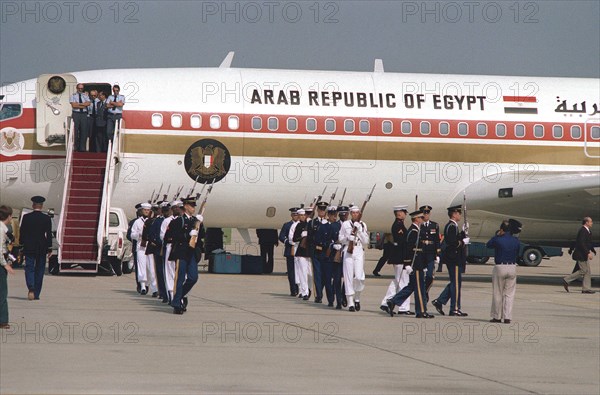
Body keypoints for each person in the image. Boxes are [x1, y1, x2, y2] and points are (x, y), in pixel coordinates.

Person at [386, 210, 434, 318]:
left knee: (411, 286)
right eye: (421, 218)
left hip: (419, 263)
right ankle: (421, 311)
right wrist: (407, 264)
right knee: (420, 288)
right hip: (415, 264)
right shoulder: (413, 232)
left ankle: (393, 301)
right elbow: (408, 249)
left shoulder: (417, 230)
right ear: (416, 219)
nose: (423, 219)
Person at [168, 197, 205, 314]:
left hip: (192, 253)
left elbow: (202, 235)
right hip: (182, 252)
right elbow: (173, 236)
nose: (193, 208)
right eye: (191, 206)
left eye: (194, 206)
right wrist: (188, 233)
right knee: (179, 279)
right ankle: (177, 305)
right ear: (185, 206)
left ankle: (179, 296)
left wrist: (200, 225)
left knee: (193, 278)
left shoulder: (196, 220)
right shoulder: (178, 221)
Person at [431, 205, 469, 316]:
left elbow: (455, 238)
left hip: (454, 258)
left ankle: (439, 301)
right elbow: (452, 242)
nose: (460, 215)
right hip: (454, 258)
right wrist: (462, 242)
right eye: (459, 213)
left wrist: (462, 233)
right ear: (454, 214)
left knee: (455, 283)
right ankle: (454, 308)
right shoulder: (451, 226)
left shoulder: (453, 226)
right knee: (456, 284)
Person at [487, 219, 522, 324]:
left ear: (501, 229)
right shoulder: (516, 240)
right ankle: (507, 317)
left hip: (500, 266)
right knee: (509, 294)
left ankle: (497, 316)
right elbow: (518, 253)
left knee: (498, 293)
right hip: (512, 266)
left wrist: (497, 235)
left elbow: (488, 244)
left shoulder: (498, 239)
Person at [380, 205, 412, 315]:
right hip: (400, 257)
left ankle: (385, 302)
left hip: (399, 257)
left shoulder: (400, 225)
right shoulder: (398, 226)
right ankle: (403, 308)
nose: (405, 214)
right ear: (399, 213)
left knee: (397, 282)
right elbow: (402, 242)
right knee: (403, 282)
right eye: (404, 212)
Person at [19, 196, 53, 300]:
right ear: (42, 206)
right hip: (41, 246)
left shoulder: (26, 217)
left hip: (29, 246)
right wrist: (49, 248)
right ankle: (36, 293)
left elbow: (22, 232)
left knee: (29, 268)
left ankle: (31, 287)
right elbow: (48, 234)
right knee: (40, 269)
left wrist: (21, 245)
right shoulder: (46, 218)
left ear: (33, 205)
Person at [338, 205, 369, 312]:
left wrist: (359, 231)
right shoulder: (346, 224)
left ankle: (357, 298)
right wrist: (348, 238)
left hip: (359, 250)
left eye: (357, 213)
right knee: (348, 276)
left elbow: (366, 241)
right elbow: (340, 238)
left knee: (359, 276)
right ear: (351, 214)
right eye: (353, 213)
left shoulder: (363, 225)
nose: (355, 214)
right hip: (348, 250)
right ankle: (350, 302)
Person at [563, 217, 596, 294]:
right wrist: (588, 252)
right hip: (581, 254)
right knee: (583, 270)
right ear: (586, 223)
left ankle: (586, 289)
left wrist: (593, 249)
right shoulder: (582, 231)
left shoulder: (588, 231)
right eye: (591, 222)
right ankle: (567, 279)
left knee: (587, 271)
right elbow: (581, 243)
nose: (592, 223)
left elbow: (588, 242)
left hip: (584, 254)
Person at [419, 205, 441, 302]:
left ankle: (425, 291)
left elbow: (437, 240)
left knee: (429, 276)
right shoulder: (420, 226)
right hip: (422, 252)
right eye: (424, 213)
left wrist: (438, 254)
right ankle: (422, 293)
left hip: (431, 253)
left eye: (427, 213)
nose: (426, 215)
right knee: (421, 275)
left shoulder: (434, 225)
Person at [131, 203, 152, 295]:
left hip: (150, 246)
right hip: (140, 246)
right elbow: (132, 234)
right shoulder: (137, 222)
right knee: (141, 266)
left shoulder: (152, 221)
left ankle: (147, 284)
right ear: (141, 211)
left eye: (148, 210)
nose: (146, 211)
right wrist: (138, 235)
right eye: (145, 210)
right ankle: (142, 286)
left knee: (149, 268)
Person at [291, 209, 312, 301]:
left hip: (310, 251)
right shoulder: (298, 225)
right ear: (299, 216)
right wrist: (302, 237)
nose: (303, 217)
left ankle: (309, 289)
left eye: (305, 215)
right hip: (302, 251)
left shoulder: (311, 224)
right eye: (302, 215)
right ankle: (304, 292)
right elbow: (294, 239)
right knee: (303, 273)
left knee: (310, 274)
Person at [1, 205, 15, 329]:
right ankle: (2, 320)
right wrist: (6, 265)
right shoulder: (1, 230)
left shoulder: (4, 229)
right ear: (9, 216)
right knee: (2, 292)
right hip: (0, 265)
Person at [279, 208, 299, 296]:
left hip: (299, 250)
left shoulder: (301, 225)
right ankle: (293, 290)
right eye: (294, 215)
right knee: (291, 271)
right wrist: (287, 241)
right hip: (290, 250)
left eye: (297, 215)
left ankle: (299, 288)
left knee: (300, 271)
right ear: (291, 215)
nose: (295, 216)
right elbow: (281, 236)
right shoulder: (287, 225)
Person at [69, 83, 91, 152]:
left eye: (81, 88)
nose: (80, 90)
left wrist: (78, 104)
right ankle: (75, 147)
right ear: (77, 88)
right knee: (75, 131)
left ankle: (82, 148)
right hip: (76, 114)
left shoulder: (85, 95)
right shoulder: (73, 96)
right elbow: (74, 105)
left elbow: (88, 103)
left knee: (84, 131)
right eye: (79, 88)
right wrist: (83, 105)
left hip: (84, 114)